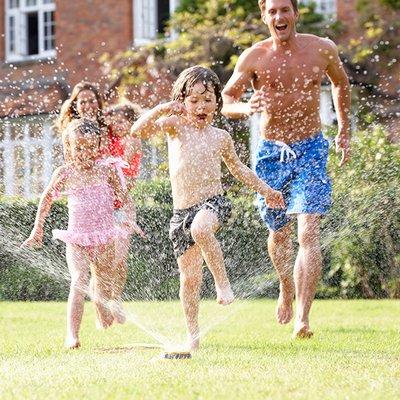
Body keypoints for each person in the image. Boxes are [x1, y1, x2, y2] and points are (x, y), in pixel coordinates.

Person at [221, 0, 351, 338]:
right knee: (279, 233)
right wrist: (245, 106)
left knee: (308, 230)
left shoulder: (322, 49)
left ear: (295, 13)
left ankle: (303, 319)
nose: (280, 17)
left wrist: (344, 128)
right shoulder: (254, 57)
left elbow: (340, 83)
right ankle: (284, 285)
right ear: (264, 16)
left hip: (310, 147)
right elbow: (227, 101)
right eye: (273, 11)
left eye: (285, 10)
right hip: (271, 153)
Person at [131, 65, 285, 349]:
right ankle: (193, 335)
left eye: (208, 99)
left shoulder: (220, 137)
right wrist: (162, 109)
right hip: (181, 213)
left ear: (217, 101)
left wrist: (267, 191)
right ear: (182, 102)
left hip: (213, 203)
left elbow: (239, 170)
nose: (201, 106)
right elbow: (137, 130)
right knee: (189, 279)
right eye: (194, 100)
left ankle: (223, 284)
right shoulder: (174, 126)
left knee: (201, 229)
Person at [22, 119, 130, 349]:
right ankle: (72, 334)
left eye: (91, 147)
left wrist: (122, 206)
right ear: (68, 147)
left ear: (99, 146)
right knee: (78, 280)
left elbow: (121, 197)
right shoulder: (66, 173)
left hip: (104, 238)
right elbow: (46, 199)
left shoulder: (106, 170)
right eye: (78, 148)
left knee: (104, 285)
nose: (85, 153)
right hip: (77, 239)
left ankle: (102, 305)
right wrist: (37, 228)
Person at [103, 102, 145, 307]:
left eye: (122, 121)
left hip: (123, 203)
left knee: (120, 257)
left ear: (131, 123)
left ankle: (116, 298)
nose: (117, 125)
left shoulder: (133, 140)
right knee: (104, 256)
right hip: (105, 203)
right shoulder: (107, 140)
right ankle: (105, 297)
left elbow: (122, 168)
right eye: (114, 121)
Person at [56, 81, 109, 161]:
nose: (88, 106)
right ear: (75, 105)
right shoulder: (70, 133)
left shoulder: (109, 127)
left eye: (92, 101)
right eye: (82, 102)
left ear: (98, 102)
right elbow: (69, 163)